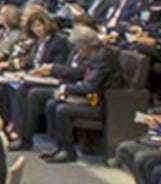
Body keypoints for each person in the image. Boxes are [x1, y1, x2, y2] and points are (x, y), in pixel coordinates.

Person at [42, 26, 124, 162]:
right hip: (92, 97)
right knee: (52, 103)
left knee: (63, 110)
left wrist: (65, 90)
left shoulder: (102, 57)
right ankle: (60, 146)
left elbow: (90, 87)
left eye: (79, 48)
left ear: (86, 46)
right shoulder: (96, 53)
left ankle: (68, 152)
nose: (78, 51)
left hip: (102, 104)